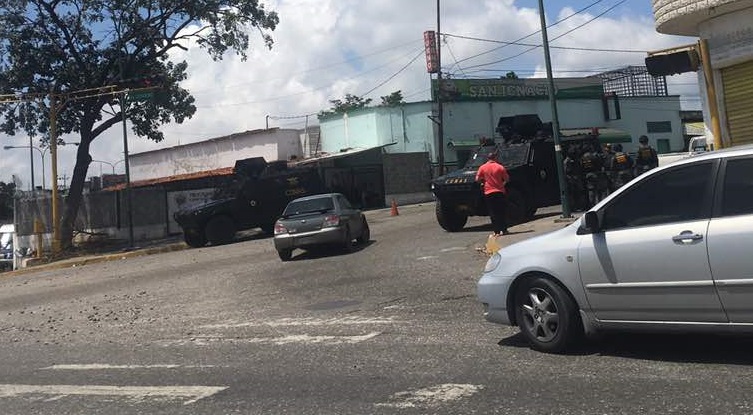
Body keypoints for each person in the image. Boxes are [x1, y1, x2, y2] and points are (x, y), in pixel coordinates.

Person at [475, 150, 510, 236]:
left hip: (488, 192)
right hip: (499, 191)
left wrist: (483, 182)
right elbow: (507, 179)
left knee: (492, 212)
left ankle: (496, 231)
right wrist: (502, 184)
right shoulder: (500, 167)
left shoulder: (482, 167)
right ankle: (504, 230)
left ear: (488, 158)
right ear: (495, 158)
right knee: (501, 211)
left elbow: (477, 179)